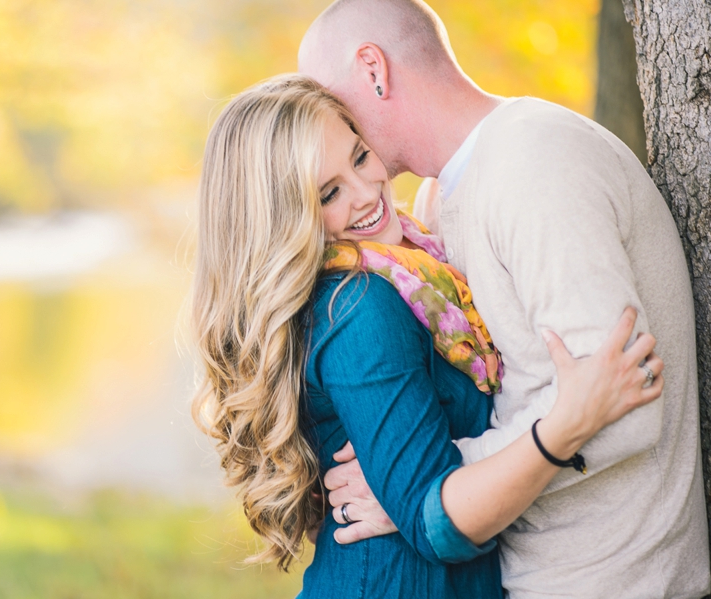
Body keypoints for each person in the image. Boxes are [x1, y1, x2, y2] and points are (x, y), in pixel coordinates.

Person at [190, 74, 664, 598]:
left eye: (361, 157)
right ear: (285, 220)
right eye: (330, 193)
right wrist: (566, 426)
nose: (368, 192)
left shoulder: (415, 274)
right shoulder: (360, 306)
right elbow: (434, 527)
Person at [298, 1, 711, 597]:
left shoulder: (536, 165)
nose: (324, 122)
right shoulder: (436, 203)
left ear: (374, 69)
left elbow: (624, 402)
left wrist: (429, 487)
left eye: (329, 98)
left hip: (614, 580)